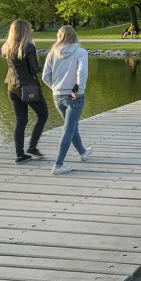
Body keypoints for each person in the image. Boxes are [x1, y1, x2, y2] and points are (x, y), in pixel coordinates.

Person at [42, 25, 92, 174]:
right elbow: (81, 71)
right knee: (68, 129)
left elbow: (45, 76)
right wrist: (79, 90)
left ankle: (83, 152)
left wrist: (55, 88)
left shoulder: (53, 53)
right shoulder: (80, 52)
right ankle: (58, 164)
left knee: (71, 125)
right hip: (74, 96)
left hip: (57, 96)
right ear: (74, 35)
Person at [2, 19, 49, 164]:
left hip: (11, 86)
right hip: (28, 86)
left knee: (20, 120)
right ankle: (33, 147)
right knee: (43, 114)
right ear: (25, 31)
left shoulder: (7, 47)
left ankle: (20, 155)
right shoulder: (28, 47)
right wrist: (45, 66)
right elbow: (34, 69)